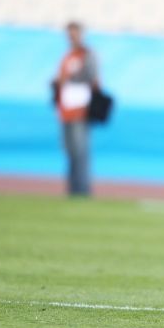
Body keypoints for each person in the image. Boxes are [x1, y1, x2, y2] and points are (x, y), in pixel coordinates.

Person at [53, 21, 99, 197]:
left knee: (80, 151)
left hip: (81, 109)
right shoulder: (67, 56)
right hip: (66, 109)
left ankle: (82, 189)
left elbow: (92, 77)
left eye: (74, 34)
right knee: (70, 150)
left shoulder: (87, 55)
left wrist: (71, 77)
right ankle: (73, 188)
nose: (71, 37)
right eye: (69, 34)